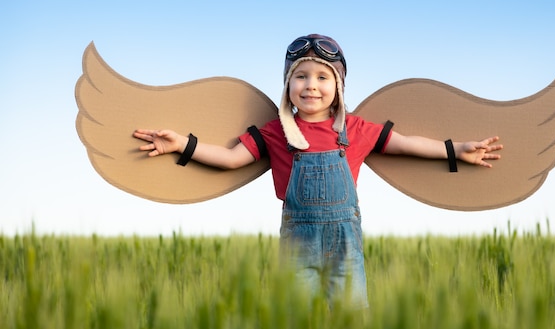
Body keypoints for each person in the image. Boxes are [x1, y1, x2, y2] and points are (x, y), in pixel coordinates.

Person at [133, 34, 503, 309]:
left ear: (338, 87)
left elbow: (406, 144)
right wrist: (182, 144)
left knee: (349, 314)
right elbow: (231, 159)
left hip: (345, 247)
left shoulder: (354, 130)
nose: (311, 85)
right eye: (301, 77)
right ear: (288, 86)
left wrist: (456, 151)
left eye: (322, 77)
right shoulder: (275, 132)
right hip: (298, 247)